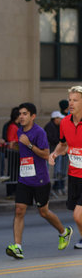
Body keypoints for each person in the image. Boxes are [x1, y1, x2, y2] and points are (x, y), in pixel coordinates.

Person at [6, 103, 72, 259]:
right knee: (19, 210)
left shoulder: (39, 132)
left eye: (25, 114)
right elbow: (24, 150)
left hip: (40, 179)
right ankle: (17, 247)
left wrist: (28, 144)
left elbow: (45, 154)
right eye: (20, 113)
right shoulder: (20, 131)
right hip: (24, 178)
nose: (21, 116)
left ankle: (64, 232)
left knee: (44, 212)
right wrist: (16, 146)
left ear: (33, 116)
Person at [50, 86, 82, 250]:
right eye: (70, 99)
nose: (71, 103)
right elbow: (63, 144)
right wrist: (55, 154)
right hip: (74, 174)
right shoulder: (64, 122)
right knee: (76, 214)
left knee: (78, 215)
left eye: (75, 100)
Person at [45, 110, 66, 195]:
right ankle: (48, 188)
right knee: (48, 171)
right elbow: (51, 138)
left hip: (56, 151)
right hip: (50, 152)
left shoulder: (57, 126)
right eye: (60, 118)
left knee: (58, 170)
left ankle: (56, 186)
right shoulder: (49, 127)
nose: (61, 120)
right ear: (55, 119)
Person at [3, 108, 21, 198]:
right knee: (12, 172)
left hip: (17, 151)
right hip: (13, 151)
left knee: (16, 172)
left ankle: (15, 190)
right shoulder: (12, 126)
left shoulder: (17, 126)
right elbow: (10, 139)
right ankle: (11, 191)